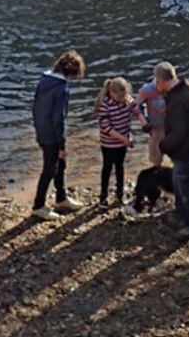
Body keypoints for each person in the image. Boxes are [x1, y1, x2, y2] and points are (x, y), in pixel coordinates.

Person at [31, 50, 87, 221]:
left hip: (41, 129)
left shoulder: (44, 80)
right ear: (71, 73)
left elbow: (34, 106)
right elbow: (58, 120)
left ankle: (61, 197)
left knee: (60, 164)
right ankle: (38, 205)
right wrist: (61, 145)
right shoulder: (62, 89)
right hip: (52, 135)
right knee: (50, 168)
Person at [156, 61, 189, 241]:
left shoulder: (176, 101)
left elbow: (179, 132)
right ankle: (180, 214)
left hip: (186, 149)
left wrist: (163, 145)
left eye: (157, 82)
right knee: (179, 181)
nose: (158, 86)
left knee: (185, 185)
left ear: (161, 80)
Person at [95, 77, 137, 207]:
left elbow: (137, 111)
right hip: (109, 144)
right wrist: (123, 138)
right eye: (119, 96)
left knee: (120, 167)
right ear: (112, 93)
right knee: (107, 168)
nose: (121, 99)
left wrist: (129, 136)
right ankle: (103, 196)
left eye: (123, 95)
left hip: (122, 143)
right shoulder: (105, 105)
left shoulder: (127, 101)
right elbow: (106, 128)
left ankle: (120, 193)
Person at [135, 74, 168, 168]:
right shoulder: (147, 90)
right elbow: (136, 107)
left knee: (177, 155)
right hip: (156, 128)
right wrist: (144, 122)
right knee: (156, 157)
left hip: (172, 127)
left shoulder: (173, 87)